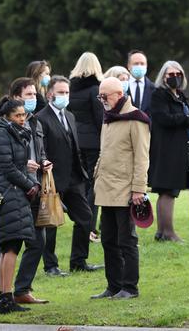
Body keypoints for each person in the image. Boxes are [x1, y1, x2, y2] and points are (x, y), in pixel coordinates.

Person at [0, 78, 53, 306]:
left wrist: (41, 163)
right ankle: (3, 295)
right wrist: (27, 179)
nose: (23, 118)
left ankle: (15, 292)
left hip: (25, 190)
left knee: (25, 242)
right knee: (8, 245)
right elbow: (3, 164)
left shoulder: (28, 126)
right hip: (13, 191)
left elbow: (32, 153)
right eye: (18, 115)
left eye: (36, 94)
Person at [91, 77, 151, 300]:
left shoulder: (136, 119)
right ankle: (113, 286)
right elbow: (104, 152)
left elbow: (142, 158)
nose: (102, 100)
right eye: (100, 96)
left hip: (126, 190)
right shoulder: (109, 118)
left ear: (118, 94)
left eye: (104, 96)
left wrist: (138, 189)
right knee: (108, 240)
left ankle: (130, 287)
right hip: (106, 188)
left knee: (127, 240)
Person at [35, 75, 102, 273]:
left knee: (85, 217)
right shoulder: (41, 118)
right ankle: (51, 266)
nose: (64, 96)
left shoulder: (70, 116)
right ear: (50, 95)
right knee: (51, 223)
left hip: (74, 178)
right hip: (52, 178)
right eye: (60, 93)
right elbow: (41, 149)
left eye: (67, 92)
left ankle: (78, 262)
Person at [149, 61, 189, 242]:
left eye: (178, 73)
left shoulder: (180, 95)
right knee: (168, 190)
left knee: (169, 191)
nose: (174, 77)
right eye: (170, 74)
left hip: (179, 147)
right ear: (163, 76)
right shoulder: (159, 95)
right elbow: (162, 118)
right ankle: (168, 232)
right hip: (167, 149)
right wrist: (185, 118)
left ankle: (162, 232)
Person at [68, 52, 104, 243]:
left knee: (83, 184)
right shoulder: (95, 90)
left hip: (77, 140)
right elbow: (99, 119)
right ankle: (89, 225)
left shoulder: (72, 89)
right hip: (93, 142)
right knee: (94, 185)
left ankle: (82, 222)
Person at [126, 50, 155, 116]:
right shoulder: (122, 87)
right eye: (136, 64)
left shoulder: (154, 88)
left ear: (146, 66)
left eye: (142, 64)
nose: (139, 66)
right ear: (128, 66)